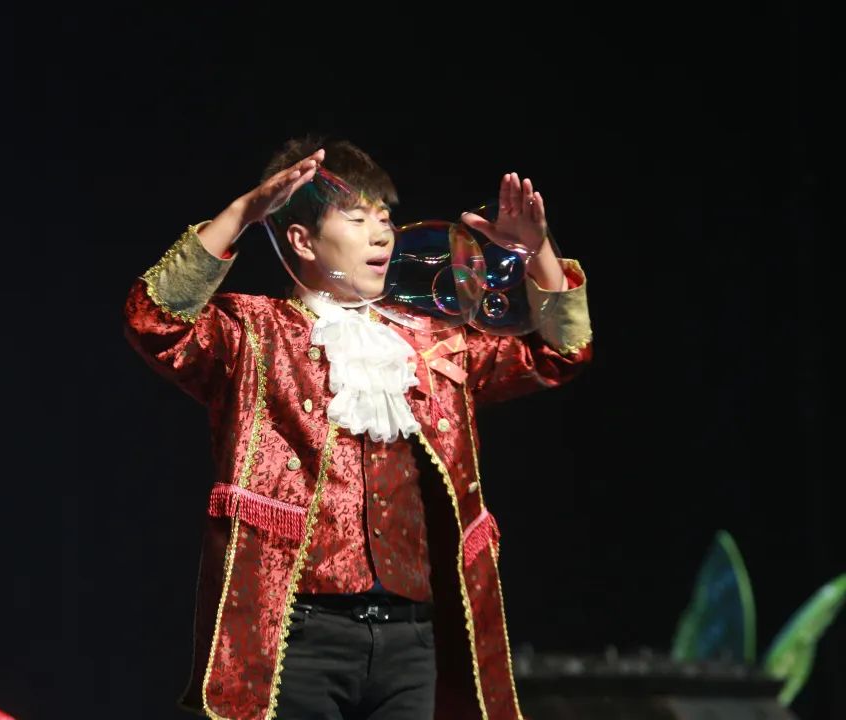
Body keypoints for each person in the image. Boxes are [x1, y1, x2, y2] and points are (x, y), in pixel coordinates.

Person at [123, 137, 593, 720]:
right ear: (302, 240)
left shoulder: (434, 344)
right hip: (295, 639)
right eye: (357, 218)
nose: (380, 235)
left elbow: (560, 353)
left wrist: (537, 250)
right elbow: (155, 320)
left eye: (386, 219)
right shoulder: (257, 335)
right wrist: (244, 213)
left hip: (412, 643)